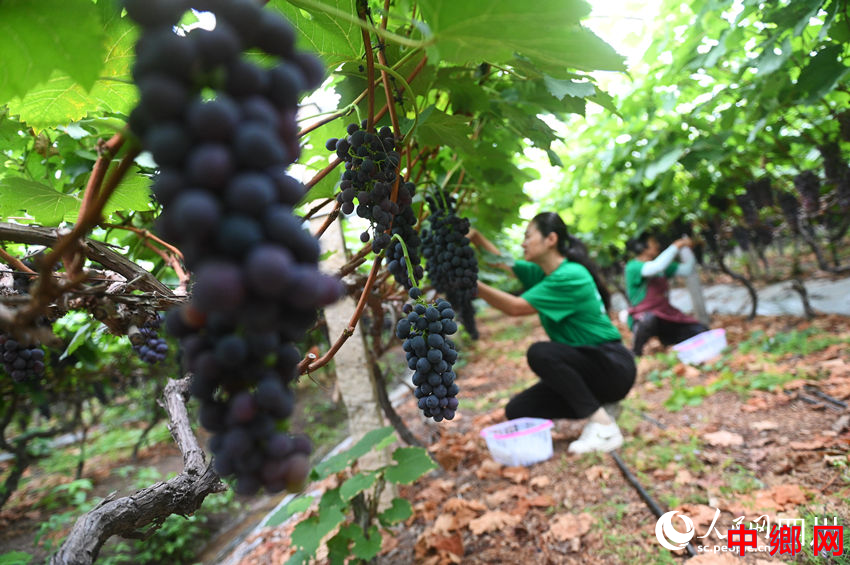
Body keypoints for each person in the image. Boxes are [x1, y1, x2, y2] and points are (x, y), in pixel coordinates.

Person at [467, 212, 636, 454]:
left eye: (528, 236)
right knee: (518, 409)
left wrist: (469, 284)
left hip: (612, 365)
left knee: (541, 353)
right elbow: (503, 263)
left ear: (551, 239)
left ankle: (604, 427)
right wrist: (475, 237)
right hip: (591, 368)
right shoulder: (544, 274)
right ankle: (604, 407)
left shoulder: (569, 275)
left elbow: (515, 308)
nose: (522, 243)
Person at [624, 233, 709, 356]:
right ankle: (636, 351)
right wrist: (677, 245)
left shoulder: (662, 265)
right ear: (642, 248)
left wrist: (690, 250)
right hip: (644, 318)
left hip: (665, 315)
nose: (657, 245)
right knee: (648, 319)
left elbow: (687, 270)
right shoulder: (633, 266)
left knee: (701, 330)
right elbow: (656, 267)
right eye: (653, 243)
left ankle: (668, 340)